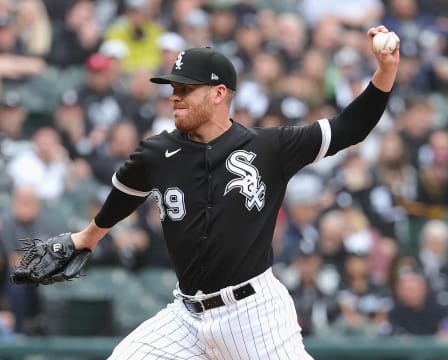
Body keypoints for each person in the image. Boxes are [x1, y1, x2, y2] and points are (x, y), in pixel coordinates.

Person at [25, 25, 399, 359]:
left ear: (219, 93)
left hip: (254, 316)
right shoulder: (156, 153)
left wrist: (385, 72)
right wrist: (87, 238)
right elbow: (126, 193)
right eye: (174, 88)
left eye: (187, 88)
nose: (175, 96)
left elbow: (351, 126)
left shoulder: (270, 147)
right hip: (185, 317)